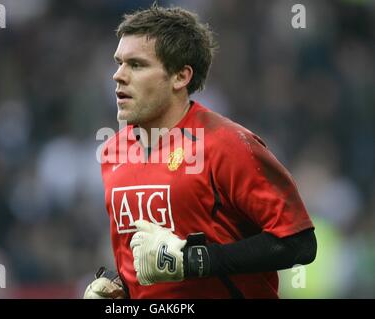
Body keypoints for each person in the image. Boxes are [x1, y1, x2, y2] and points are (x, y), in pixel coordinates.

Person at [84, 4, 317, 299]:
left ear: (180, 77)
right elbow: (148, 266)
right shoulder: (113, 153)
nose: (118, 75)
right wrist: (121, 292)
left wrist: (196, 261)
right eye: (118, 63)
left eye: (137, 65)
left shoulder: (229, 145)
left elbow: (299, 243)